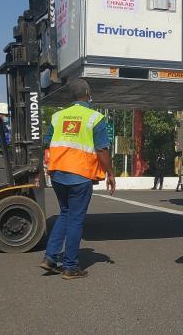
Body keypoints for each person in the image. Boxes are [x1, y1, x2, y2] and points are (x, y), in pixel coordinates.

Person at [39, 79, 116, 279]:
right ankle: (70, 267)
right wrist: (110, 173)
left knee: (65, 213)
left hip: (57, 174)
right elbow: (101, 149)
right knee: (75, 219)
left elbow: (48, 142)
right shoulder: (95, 118)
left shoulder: (57, 117)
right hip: (79, 175)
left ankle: (50, 258)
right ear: (88, 94)